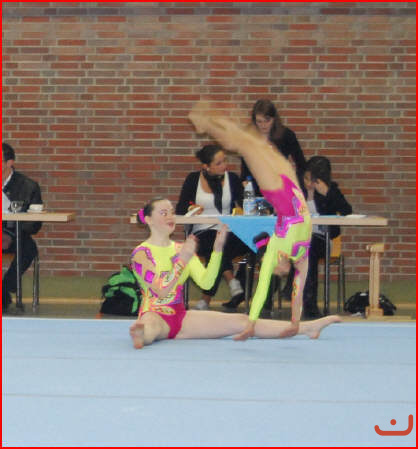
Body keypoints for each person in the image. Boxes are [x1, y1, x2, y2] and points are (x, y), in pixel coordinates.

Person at [129, 197, 341, 349]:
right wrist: (182, 261)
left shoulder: (180, 249)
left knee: (242, 321)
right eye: (163, 213)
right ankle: (141, 334)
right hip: (154, 312)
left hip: (182, 316)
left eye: (172, 212)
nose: (170, 216)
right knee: (151, 326)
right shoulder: (141, 253)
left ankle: (306, 328)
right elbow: (160, 291)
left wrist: (217, 251)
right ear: (148, 219)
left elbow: (206, 282)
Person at [188, 103, 313, 340]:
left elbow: (262, 287)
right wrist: (295, 321)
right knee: (256, 144)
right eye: (280, 270)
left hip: (276, 192)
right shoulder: (301, 254)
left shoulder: (274, 249)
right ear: (286, 269)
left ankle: (210, 123)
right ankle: (215, 121)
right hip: (292, 185)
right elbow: (298, 290)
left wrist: (251, 324)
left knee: (247, 146)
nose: (276, 269)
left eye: (273, 268)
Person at [176, 143, 251, 311]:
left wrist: (247, 195)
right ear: (206, 166)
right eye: (219, 163)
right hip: (202, 232)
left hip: (228, 230)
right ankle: (231, 280)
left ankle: (206, 299)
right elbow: (180, 209)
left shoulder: (232, 179)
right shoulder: (193, 179)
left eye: (225, 161)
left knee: (222, 246)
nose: (224, 165)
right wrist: (191, 208)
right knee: (214, 243)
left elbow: (244, 205)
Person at [301, 156, 353, 318]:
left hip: (322, 239)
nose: (308, 184)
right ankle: (268, 302)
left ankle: (309, 304)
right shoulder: (298, 191)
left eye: (313, 180)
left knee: (308, 250)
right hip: (298, 237)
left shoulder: (331, 191)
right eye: (306, 178)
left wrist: (328, 193)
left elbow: (347, 210)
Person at [2, 142, 43, 311]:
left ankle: (5, 288)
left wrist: (10, 235)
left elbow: (34, 225)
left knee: (28, 248)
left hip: (15, 235)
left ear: (9, 162)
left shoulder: (28, 186)